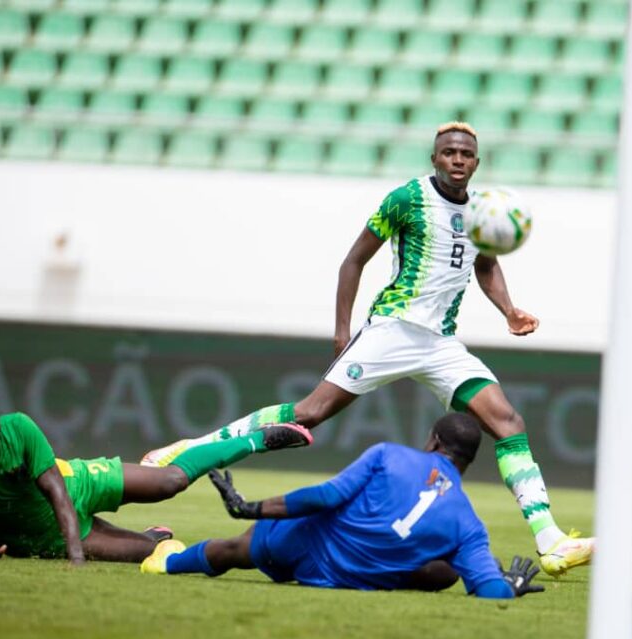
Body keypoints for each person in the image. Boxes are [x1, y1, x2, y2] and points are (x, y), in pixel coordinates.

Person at [142, 122, 593, 576]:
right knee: (309, 414)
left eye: (466, 154)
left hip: (441, 342)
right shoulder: (406, 200)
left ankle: (550, 540)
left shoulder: (481, 209)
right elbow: (353, 261)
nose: (458, 160)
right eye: (449, 152)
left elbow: (485, 264)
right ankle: (191, 449)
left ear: (477, 162)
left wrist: (509, 311)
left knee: (508, 422)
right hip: (393, 329)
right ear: (434, 158)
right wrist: (343, 332)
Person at [141, 414, 545, 600]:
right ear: (468, 462)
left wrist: (253, 508)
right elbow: (491, 591)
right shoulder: (469, 524)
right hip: (352, 577)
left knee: (236, 549)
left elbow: (327, 496)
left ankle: (167, 562)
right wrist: (507, 586)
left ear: (434, 442)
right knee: (446, 569)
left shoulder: (389, 454)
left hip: (302, 545)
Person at [0, 391, 312, 564]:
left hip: (75, 483)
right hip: (40, 537)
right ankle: (152, 535)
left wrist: (76, 557)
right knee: (155, 555)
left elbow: (57, 491)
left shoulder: (20, 429)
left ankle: (255, 439)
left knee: (170, 482)